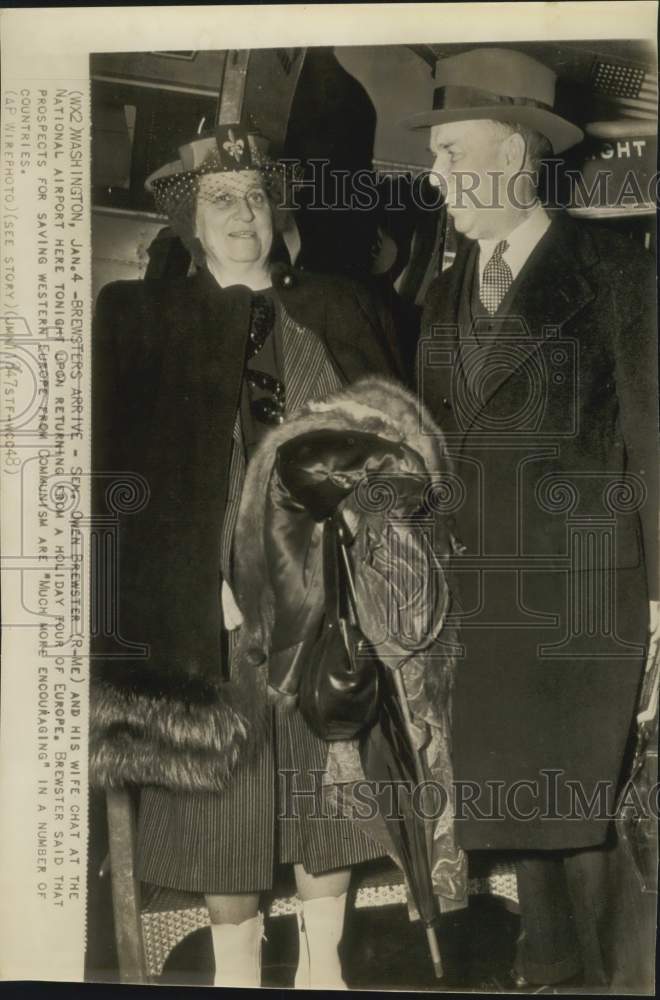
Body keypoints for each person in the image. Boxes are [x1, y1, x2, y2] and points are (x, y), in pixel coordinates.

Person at [90, 123, 403, 988]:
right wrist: (190, 581)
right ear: (191, 219)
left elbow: (396, 455)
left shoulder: (339, 312)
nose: (243, 213)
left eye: (257, 196)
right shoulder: (141, 319)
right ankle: (236, 975)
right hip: (208, 618)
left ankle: (323, 970)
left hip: (332, 607)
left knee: (330, 796)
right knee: (222, 804)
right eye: (221, 199)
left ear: (280, 213)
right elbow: (117, 478)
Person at [407, 47, 658, 989]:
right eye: (433, 158)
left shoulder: (617, 269)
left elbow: (651, 436)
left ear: (514, 155)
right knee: (529, 840)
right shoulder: (436, 294)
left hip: (588, 602)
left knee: (595, 831)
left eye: (453, 152)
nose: (438, 177)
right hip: (485, 610)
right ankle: (547, 970)